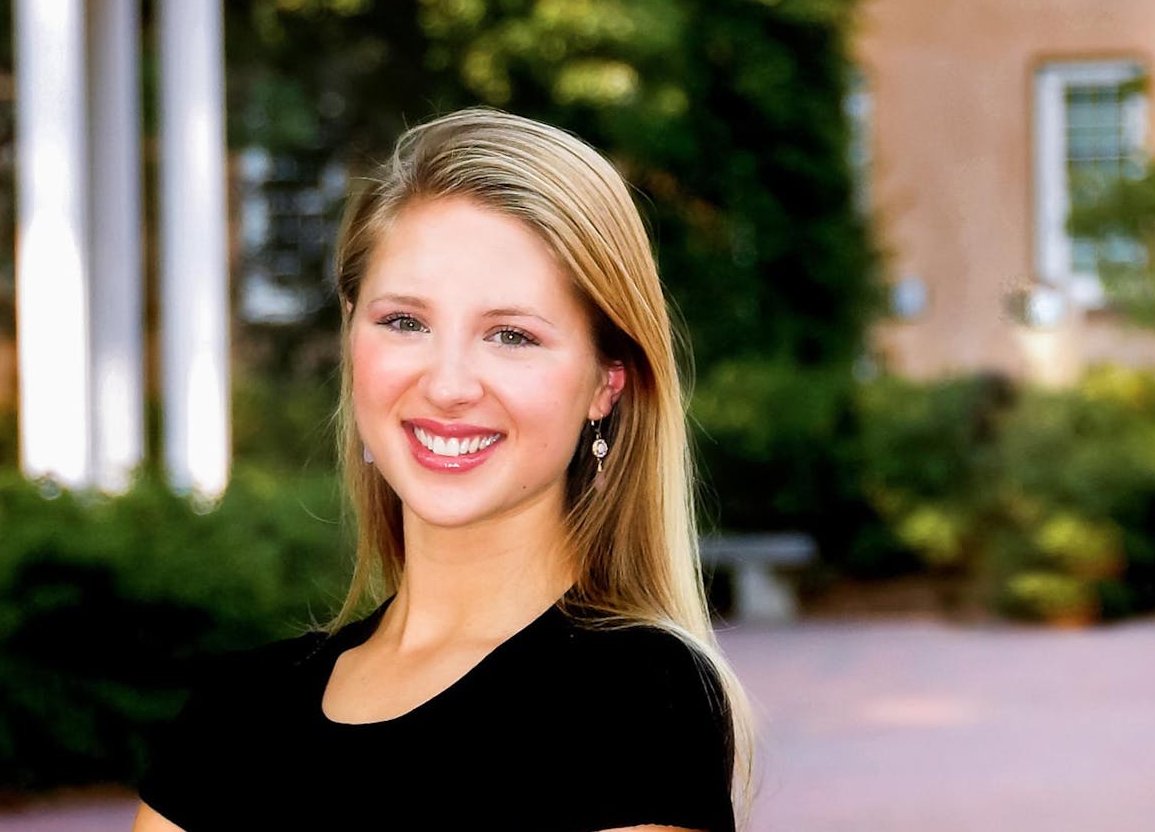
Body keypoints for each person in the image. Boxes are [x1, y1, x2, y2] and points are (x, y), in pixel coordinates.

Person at [132, 107, 755, 832]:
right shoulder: (233, 713)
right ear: (352, 334)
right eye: (405, 322)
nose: (449, 384)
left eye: (512, 335)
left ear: (604, 384)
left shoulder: (639, 700)